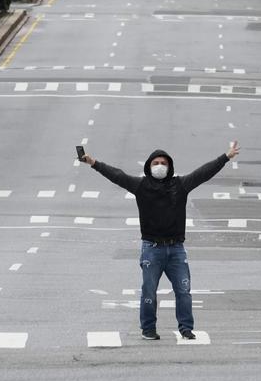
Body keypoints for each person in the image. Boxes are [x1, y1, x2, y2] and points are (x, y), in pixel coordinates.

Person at [80, 142, 241, 340]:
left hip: (176, 249)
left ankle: (186, 328)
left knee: (184, 291)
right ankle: (148, 328)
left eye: (163, 163)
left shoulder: (180, 186)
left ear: (169, 166)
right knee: (149, 290)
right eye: (155, 162)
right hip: (152, 249)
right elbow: (117, 175)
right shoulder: (141, 186)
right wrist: (93, 163)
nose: (159, 166)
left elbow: (203, 173)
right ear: (149, 166)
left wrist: (225, 157)